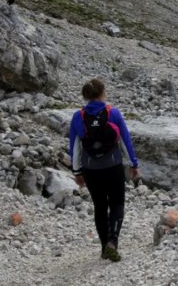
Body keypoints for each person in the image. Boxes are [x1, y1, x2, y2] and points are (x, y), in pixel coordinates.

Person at [68, 78, 140, 262]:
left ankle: (103, 247)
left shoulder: (78, 116)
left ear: (85, 96)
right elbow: (125, 141)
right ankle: (112, 242)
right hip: (113, 166)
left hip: (90, 169)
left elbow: (74, 147)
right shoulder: (113, 113)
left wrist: (77, 172)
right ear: (103, 93)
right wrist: (133, 163)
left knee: (100, 206)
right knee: (117, 203)